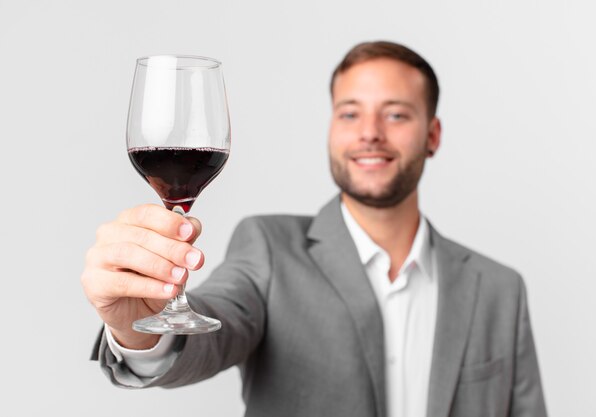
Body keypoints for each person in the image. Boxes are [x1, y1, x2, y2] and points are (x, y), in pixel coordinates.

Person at [82, 41, 548, 417]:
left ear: (433, 135)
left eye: (396, 114)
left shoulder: (500, 291)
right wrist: (137, 330)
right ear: (331, 129)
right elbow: (210, 337)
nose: (369, 132)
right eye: (349, 113)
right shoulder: (268, 249)